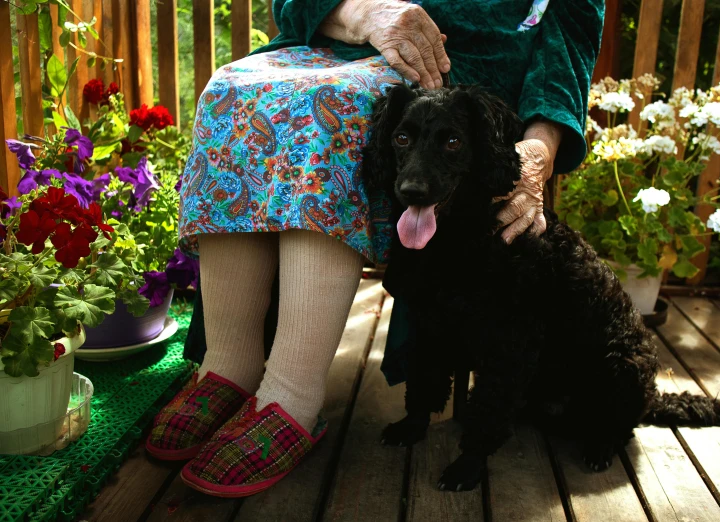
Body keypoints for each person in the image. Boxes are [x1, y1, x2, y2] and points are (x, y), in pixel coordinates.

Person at [146, 0, 604, 497]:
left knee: (330, 106)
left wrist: (539, 148)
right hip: (341, 41)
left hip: (459, 82)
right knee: (231, 89)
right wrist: (363, 13)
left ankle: (291, 395)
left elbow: (568, 44)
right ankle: (230, 363)